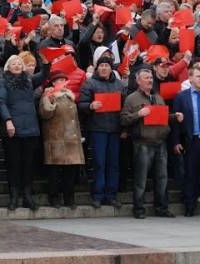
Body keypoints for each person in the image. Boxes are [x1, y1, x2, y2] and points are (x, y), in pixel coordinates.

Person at [121, 68, 181, 219]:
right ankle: (139, 209)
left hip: (160, 142)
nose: (150, 80)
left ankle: (161, 208)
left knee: (162, 177)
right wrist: (138, 114)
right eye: (146, 78)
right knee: (141, 178)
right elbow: (123, 120)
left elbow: (164, 116)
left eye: (150, 78)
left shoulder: (157, 97)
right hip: (143, 143)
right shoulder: (131, 99)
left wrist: (174, 117)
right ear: (138, 81)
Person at [0, 54, 50, 211]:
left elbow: (44, 75)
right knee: (13, 164)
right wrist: (7, 120)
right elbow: (1, 102)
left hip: (30, 128)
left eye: (19, 63)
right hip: (13, 128)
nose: (17, 66)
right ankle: (13, 196)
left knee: (28, 164)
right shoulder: (3, 81)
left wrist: (46, 63)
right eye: (13, 63)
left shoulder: (29, 80)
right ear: (8, 66)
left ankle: (27, 195)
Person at [78, 46, 126, 208]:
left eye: (107, 66)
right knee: (99, 162)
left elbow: (125, 107)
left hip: (115, 128)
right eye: (101, 66)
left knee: (113, 163)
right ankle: (98, 194)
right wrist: (90, 106)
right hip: (97, 129)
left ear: (111, 68)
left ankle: (111, 195)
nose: (104, 69)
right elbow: (81, 105)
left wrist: (124, 128)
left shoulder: (119, 85)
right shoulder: (90, 84)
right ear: (97, 68)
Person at [39, 71, 85, 209]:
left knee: (70, 173)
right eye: (58, 80)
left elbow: (75, 119)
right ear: (53, 83)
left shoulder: (70, 96)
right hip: (56, 139)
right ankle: (54, 197)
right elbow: (45, 114)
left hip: (71, 139)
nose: (62, 82)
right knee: (54, 172)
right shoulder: (48, 94)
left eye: (64, 80)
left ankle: (69, 198)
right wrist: (49, 100)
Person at [170, 66, 200, 216]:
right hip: (192, 140)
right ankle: (190, 205)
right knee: (191, 174)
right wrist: (176, 141)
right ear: (191, 78)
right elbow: (175, 122)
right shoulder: (182, 97)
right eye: (198, 76)